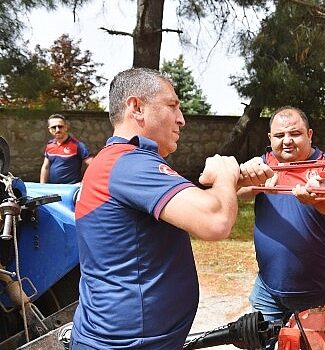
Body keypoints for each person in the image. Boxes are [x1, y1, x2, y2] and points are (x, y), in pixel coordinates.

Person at [70, 68, 272, 350]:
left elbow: (193, 207)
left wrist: (230, 187)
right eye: (172, 106)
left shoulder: (121, 162)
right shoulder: (130, 164)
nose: (182, 119)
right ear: (136, 107)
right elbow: (215, 222)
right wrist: (224, 171)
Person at [237, 106, 325, 347]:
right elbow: (238, 191)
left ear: (309, 134)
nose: (286, 141)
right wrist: (254, 183)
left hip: (316, 292)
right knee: (258, 344)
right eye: (279, 136)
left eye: (294, 134)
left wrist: (316, 197)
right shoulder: (265, 163)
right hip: (268, 288)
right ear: (270, 139)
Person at [40, 114, 93, 184]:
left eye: (60, 126)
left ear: (66, 127)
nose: (57, 130)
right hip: (52, 188)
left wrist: (84, 182)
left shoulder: (78, 145)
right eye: (54, 127)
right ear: (49, 130)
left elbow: (93, 165)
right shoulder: (50, 145)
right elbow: (45, 167)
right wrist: (42, 185)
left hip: (70, 189)